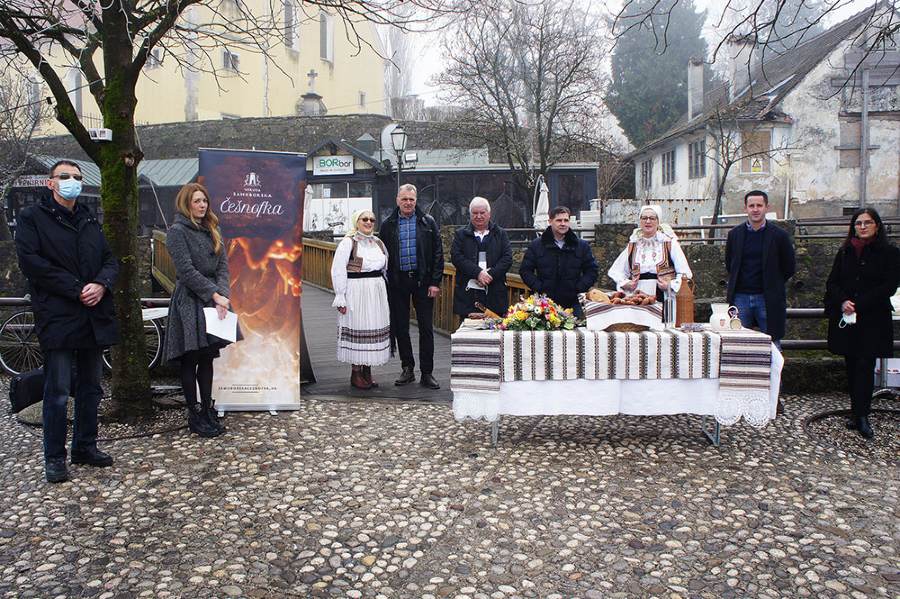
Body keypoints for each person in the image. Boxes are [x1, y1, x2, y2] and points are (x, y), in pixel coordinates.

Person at [15, 160, 120, 483]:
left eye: (76, 177)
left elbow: (109, 259)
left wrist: (101, 284)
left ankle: (85, 446)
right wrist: (77, 290)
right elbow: (33, 263)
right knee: (58, 390)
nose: (71, 182)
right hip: (58, 315)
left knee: (91, 388)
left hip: (92, 317)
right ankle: (54, 456)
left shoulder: (88, 218)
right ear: (51, 183)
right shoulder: (32, 218)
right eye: (65, 177)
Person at [163, 183, 238, 438]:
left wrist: (222, 295)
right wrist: (214, 294)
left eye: (204, 200)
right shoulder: (177, 232)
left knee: (207, 358)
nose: (202, 205)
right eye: (197, 201)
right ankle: (193, 413)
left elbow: (223, 268)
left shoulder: (212, 230)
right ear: (187, 203)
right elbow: (186, 271)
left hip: (213, 300)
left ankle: (207, 409)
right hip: (190, 300)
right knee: (190, 358)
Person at [824, 208, 899, 439]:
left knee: (866, 365)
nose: (863, 227)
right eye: (858, 223)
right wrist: (843, 301)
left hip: (872, 319)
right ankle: (856, 412)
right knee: (852, 365)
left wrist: (859, 302)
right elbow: (832, 282)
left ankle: (863, 414)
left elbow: (889, 285)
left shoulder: (890, 253)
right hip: (848, 318)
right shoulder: (845, 252)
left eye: (867, 223)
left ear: (877, 225)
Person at [379, 184, 444, 390]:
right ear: (397, 200)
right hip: (398, 282)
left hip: (423, 281)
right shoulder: (388, 224)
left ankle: (427, 372)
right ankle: (407, 368)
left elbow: (438, 254)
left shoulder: (427, 222)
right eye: (404, 199)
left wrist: (435, 282)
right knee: (401, 327)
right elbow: (381, 254)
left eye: (412, 200)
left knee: (426, 328)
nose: (408, 203)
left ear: (416, 201)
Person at [725, 190, 796, 346]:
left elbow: (789, 266)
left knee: (772, 343)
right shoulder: (734, 235)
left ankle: (774, 371)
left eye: (759, 205)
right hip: (740, 298)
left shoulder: (779, 236)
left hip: (767, 298)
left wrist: (773, 283)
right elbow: (730, 264)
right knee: (738, 343)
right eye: (751, 206)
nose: (755, 209)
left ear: (766, 207)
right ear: (745, 208)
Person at [330, 209, 391, 389]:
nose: (369, 222)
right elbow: (338, 269)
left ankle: (367, 370)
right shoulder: (348, 243)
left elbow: (385, 268)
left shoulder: (378, 243)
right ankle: (356, 372)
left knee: (372, 325)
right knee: (359, 325)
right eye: (364, 219)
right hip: (356, 291)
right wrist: (340, 295)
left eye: (372, 219)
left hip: (376, 291)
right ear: (356, 221)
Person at [519, 205, 598, 316]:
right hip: (545, 303)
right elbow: (525, 271)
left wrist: (579, 288)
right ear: (550, 221)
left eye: (566, 220)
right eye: (559, 220)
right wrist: (540, 288)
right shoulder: (536, 245)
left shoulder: (582, 246)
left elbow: (592, 270)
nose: (563, 223)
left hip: (574, 303)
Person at [607, 205, 692, 304]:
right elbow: (616, 271)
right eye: (644, 218)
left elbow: (685, 273)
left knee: (662, 318)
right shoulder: (634, 244)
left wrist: (670, 285)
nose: (648, 221)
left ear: (658, 221)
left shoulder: (669, 243)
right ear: (640, 221)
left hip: (663, 295)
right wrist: (626, 283)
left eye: (652, 218)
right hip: (638, 296)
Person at [451, 197, 513, 319]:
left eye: (482, 213)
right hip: (468, 295)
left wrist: (490, 275)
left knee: (495, 334)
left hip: (495, 294)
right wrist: (478, 273)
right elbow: (457, 257)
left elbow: (507, 258)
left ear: (489, 214)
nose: (478, 216)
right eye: (475, 213)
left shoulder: (500, 234)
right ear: (470, 215)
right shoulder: (460, 234)